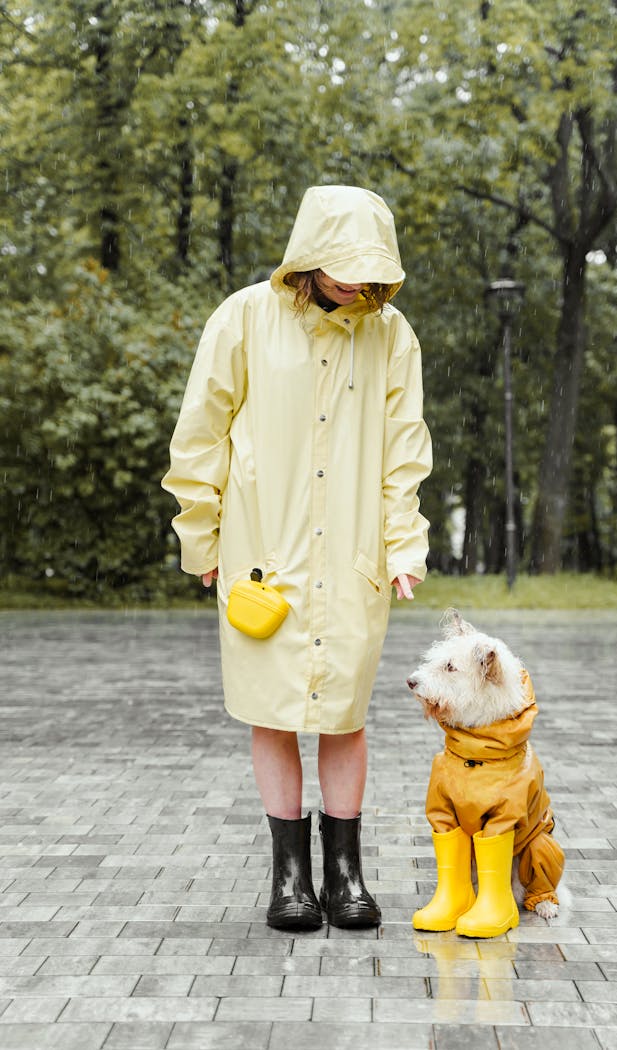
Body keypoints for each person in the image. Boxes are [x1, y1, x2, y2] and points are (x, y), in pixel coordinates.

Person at [162, 185, 432, 930]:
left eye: (366, 266)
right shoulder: (244, 317)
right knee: (271, 710)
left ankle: (345, 874)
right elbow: (201, 433)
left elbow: (404, 451)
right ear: (308, 254)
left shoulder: (392, 334)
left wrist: (405, 543)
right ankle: (289, 878)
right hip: (262, 551)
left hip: (353, 552)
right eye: (340, 264)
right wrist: (201, 532)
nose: (353, 280)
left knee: (345, 713)